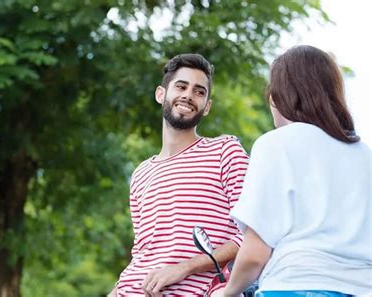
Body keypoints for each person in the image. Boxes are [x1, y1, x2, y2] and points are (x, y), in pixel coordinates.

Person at [221, 45, 372, 296]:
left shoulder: (275, 144)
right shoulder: (365, 155)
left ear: (281, 96)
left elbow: (255, 254)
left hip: (297, 285)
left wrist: (227, 293)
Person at [108, 53, 249, 296]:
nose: (188, 95)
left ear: (207, 107)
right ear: (161, 94)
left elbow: (251, 236)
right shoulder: (142, 173)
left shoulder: (225, 151)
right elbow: (142, 252)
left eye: (199, 91)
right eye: (181, 86)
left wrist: (185, 268)